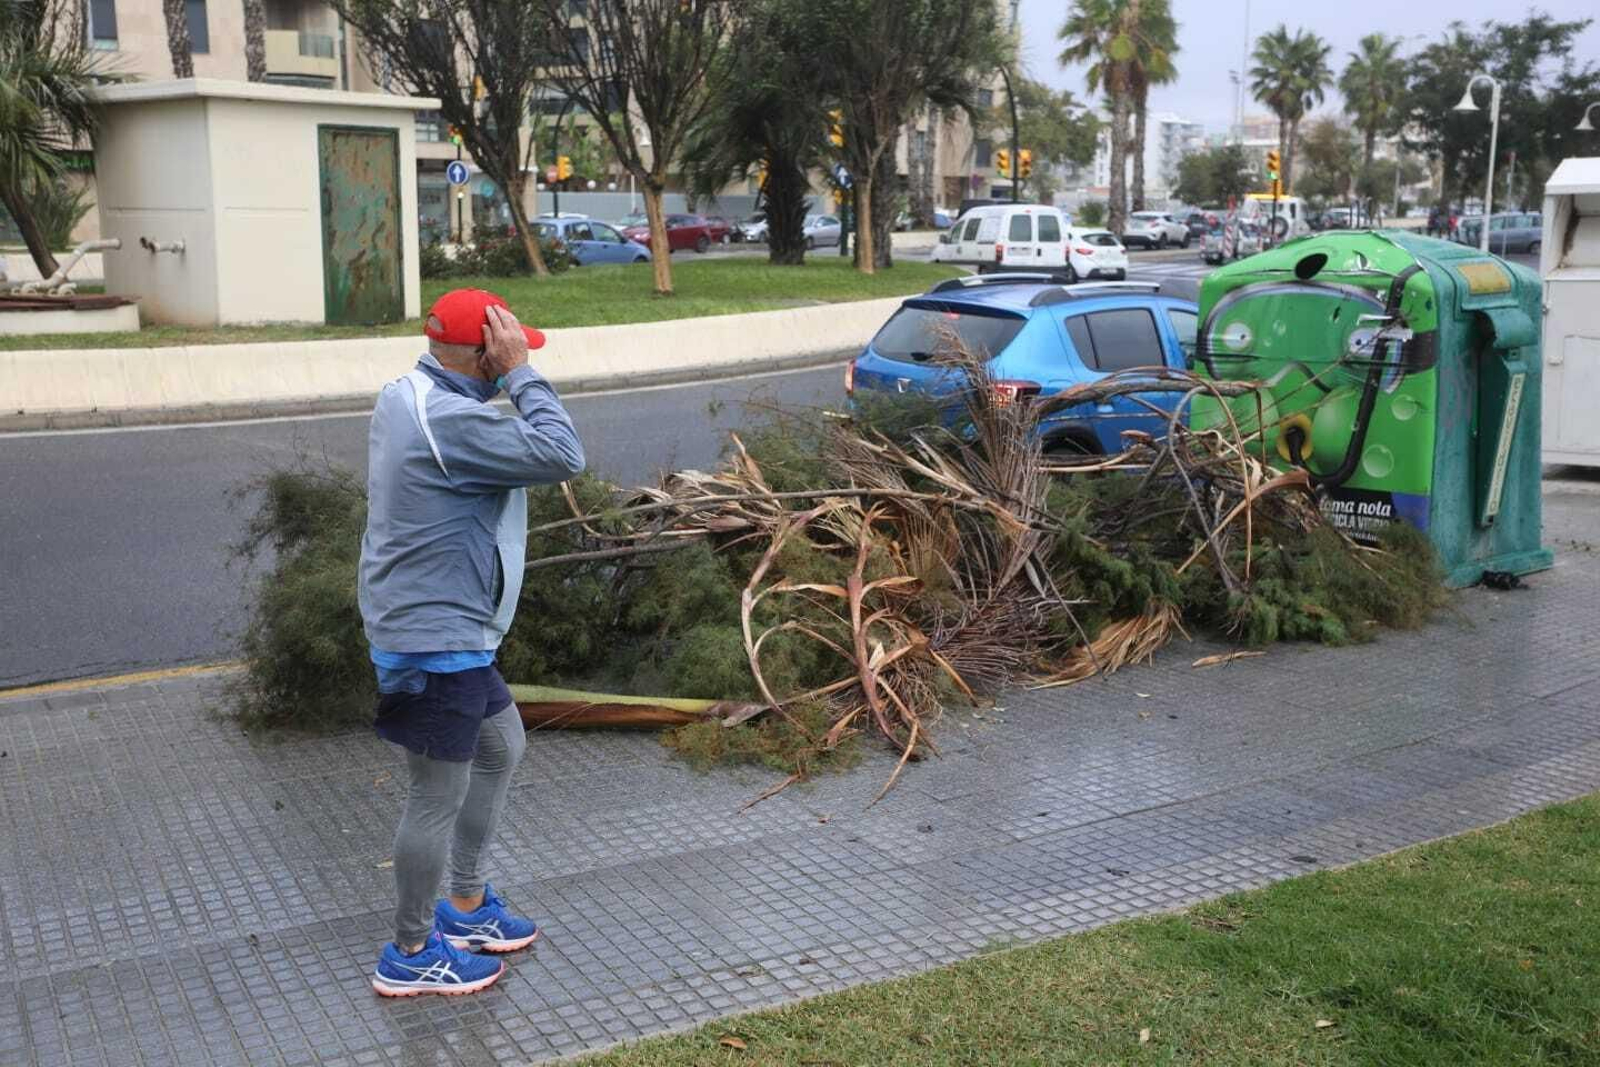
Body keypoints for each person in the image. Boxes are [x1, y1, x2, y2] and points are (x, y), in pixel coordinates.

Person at [360, 289, 585, 997]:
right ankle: (411, 950)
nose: (519, 356)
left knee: (501, 746)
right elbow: (562, 451)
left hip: (448, 628)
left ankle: (464, 904)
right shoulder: (453, 421)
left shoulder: (411, 391)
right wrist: (521, 375)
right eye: (510, 347)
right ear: (485, 353)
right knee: (436, 794)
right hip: (434, 637)